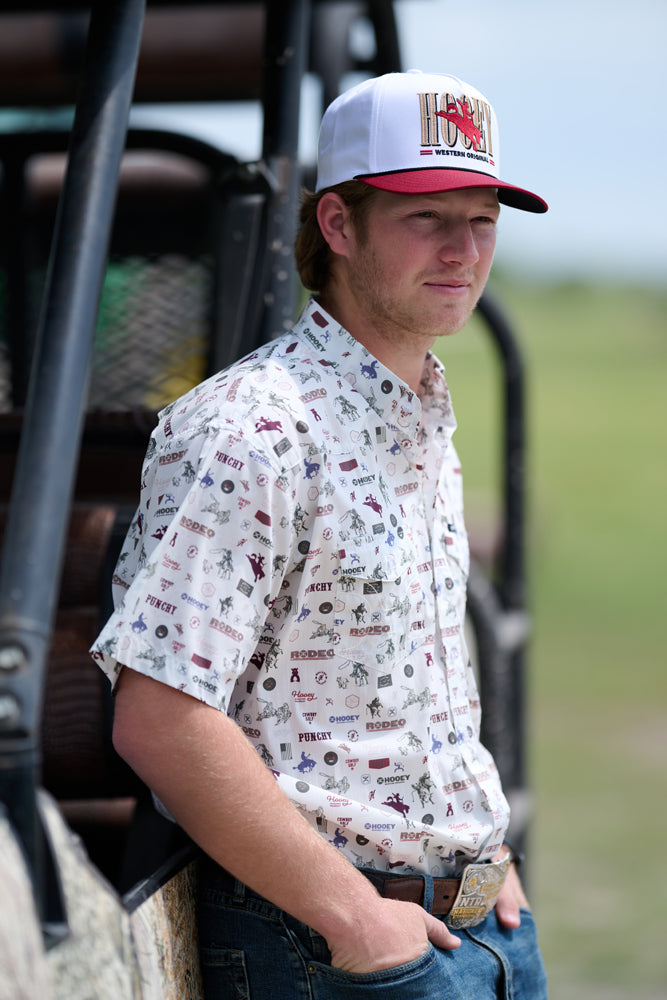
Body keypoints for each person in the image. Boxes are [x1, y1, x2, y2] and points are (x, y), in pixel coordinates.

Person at [92, 70, 549, 999]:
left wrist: (482, 855)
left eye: (483, 220)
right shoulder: (251, 428)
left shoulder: (418, 413)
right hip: (333, 950)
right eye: (427, 217)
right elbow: (161, 716)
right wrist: (354, 919)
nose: (464, 250)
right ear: (338, 226)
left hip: (476, 927)